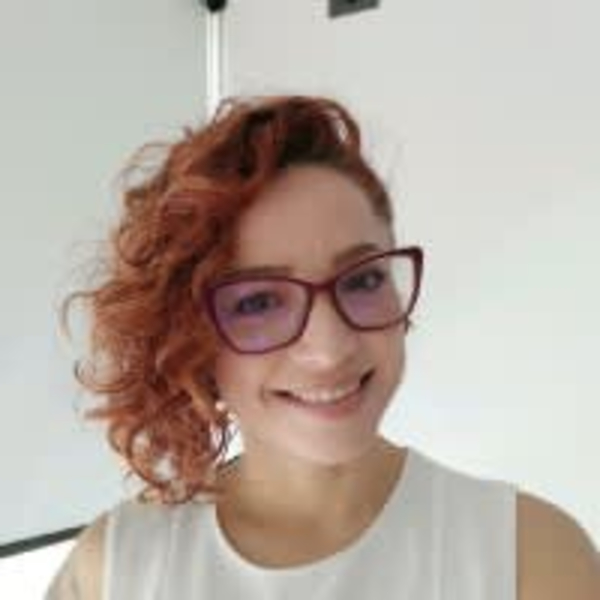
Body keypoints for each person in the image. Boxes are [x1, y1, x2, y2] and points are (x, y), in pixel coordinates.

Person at [45, 94, 599, 599]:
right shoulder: (115, 571)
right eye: (259, 301)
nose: (331, 348)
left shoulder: (530, 556)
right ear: (190, 336)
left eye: (362, 280)